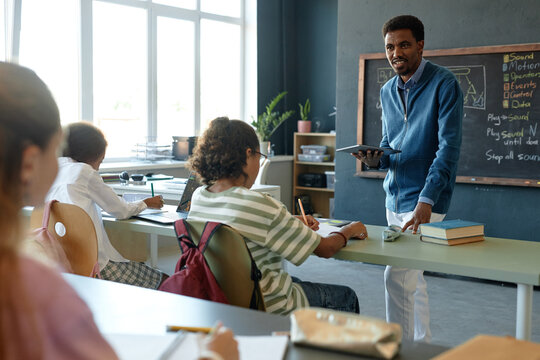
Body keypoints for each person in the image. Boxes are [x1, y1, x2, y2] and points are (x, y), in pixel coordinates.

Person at [0, 62, 238, 360]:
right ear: (29, 164)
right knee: (169, 282)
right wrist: (210, 356)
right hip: (100, 268)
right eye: (55, 146)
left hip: (77, 266)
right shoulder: (41, 293)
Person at [188, 116, 368, 315]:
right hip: (267, 304)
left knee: (296, 282)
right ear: (248, 154)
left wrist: (289, 222)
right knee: (346, 297)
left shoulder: (199, 196)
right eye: (259, 156)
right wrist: (349, 230)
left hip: (219, 300)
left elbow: (243, 224)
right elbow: (325, 249)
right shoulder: (257, 203)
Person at [355, 15, 463, 342]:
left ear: (420, 45)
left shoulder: (445, 84)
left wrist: (426, 200)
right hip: (394, 198)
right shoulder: (388, 90)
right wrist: (376, 159)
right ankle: (423, 342)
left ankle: (398, 349)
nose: (395, 52)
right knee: (413, 280)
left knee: (396, 277)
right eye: (389, 46)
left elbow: (448, 149)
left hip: (426, 199)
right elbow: (390, 143)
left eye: (403, 44)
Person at [46, 121, 169, 289]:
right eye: (100, 161)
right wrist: (146, 203)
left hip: (67, 266)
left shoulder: (53, 170)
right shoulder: (84, 171)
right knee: (165, 280)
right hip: (98, 267)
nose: (98, 168)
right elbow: (121, 211)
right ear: (90, 155)